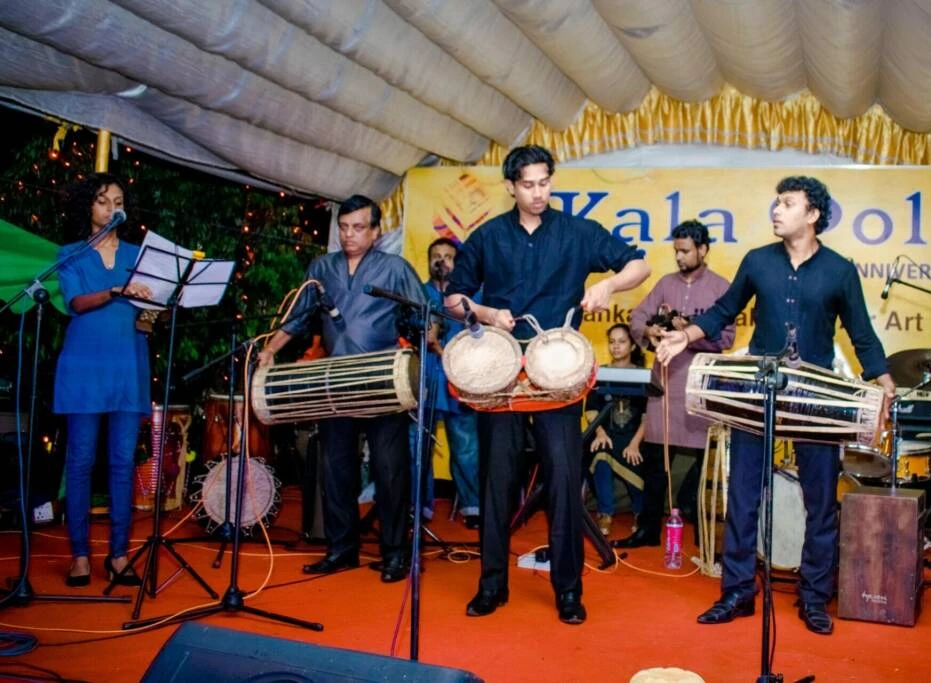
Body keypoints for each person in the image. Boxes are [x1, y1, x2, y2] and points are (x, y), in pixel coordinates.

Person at [656, 176, 896, 635]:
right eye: (776, 202)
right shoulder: (757, 261)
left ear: (812, 215)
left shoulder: (840, 270)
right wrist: (683, 335)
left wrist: (884, 382)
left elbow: (861, 334)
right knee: (744, 498)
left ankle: (813, 597)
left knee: (821, 504)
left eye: (787, 203)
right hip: (757, 394)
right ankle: (737, 593)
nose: (776, 209)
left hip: (816, 400)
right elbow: (723, 311)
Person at [444, 145, 651, 625]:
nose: (538, 193)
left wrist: (608, 286)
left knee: (563, 481)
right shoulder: (489, 236)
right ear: (511, 187)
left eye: (544, 183)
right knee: (497, 484)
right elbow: (453, 299)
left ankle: (568, 590)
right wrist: (483, 312)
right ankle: (491, 585)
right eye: (528, 185)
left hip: (558, 375)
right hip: (499, 376)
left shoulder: (578, 232)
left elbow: (639, 264)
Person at [258, 195, 425, 583]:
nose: (350, 235)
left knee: (390, 470)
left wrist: (429, 338)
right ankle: (341, 549)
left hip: (382, 381)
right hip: (334, 383)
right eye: (344, 228)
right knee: (336, 469)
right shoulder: (322, 267)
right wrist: (269, 350)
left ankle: (396, 553)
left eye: (358, 228)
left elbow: (420, 316)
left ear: (376, 232)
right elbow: (299, 317)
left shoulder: (395, 268)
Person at [613, 220, 734, 548]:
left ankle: (704, 537)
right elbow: (638, 317)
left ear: (703, 249)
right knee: (655, 462)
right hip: (664, 385)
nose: (679, 257)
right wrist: (650, 333)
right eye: (676, 251)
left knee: (701, 462)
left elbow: (726, 337)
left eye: (685, 251)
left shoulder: (721, 287)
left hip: (698, 385)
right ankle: (648, 529)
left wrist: (689, 331)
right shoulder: (665, 284)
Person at [55, 173, 151, 587]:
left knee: (122, 463)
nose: (111, 207)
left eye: (118, 200)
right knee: (79, 463)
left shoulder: (140, 254)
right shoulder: (71, 254)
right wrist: (115, 291)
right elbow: (77, 302)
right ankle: (79, 555)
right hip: (83, 369)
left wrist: (154, 311)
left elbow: (148, 317)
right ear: (88, 207)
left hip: (128, 366)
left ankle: (118, 554)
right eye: (102, 200)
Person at [410, 237, 481, 529]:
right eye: (436, 256)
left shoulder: (469, 296)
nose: (442, 261)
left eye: (448, 256)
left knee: (465, 445)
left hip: (460, 379)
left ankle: (472, 506)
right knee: (417, 445)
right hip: (423, 377)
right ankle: (419, 506)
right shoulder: (417, 293)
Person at [585, 324, 647, 536]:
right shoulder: (600, 373)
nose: (616, 346)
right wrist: (600, 433)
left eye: (622, 341)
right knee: (601, 452)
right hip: (608, 434)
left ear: (632, 346)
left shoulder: (644, 376)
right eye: (612, 342)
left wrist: (635, 444)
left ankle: (641, 513)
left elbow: (649, 416)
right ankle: (605, 514)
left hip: (635, 437)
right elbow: (591, 410)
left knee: (636, 458)